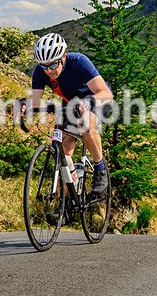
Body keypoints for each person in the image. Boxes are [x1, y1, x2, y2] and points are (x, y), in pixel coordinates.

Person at [27, 33, 113, 199]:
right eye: (44, 66)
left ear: (63, 57)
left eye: (53, 65)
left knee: (85, 124)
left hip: (96, 99)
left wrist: (88, 102)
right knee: (64, 152)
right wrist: (25, 105)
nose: (49, 71)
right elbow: (35, 102)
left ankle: (100, 169)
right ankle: (65, 202)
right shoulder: (41, 71)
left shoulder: (79, 61)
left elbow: (106, 93)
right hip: (71, 104)